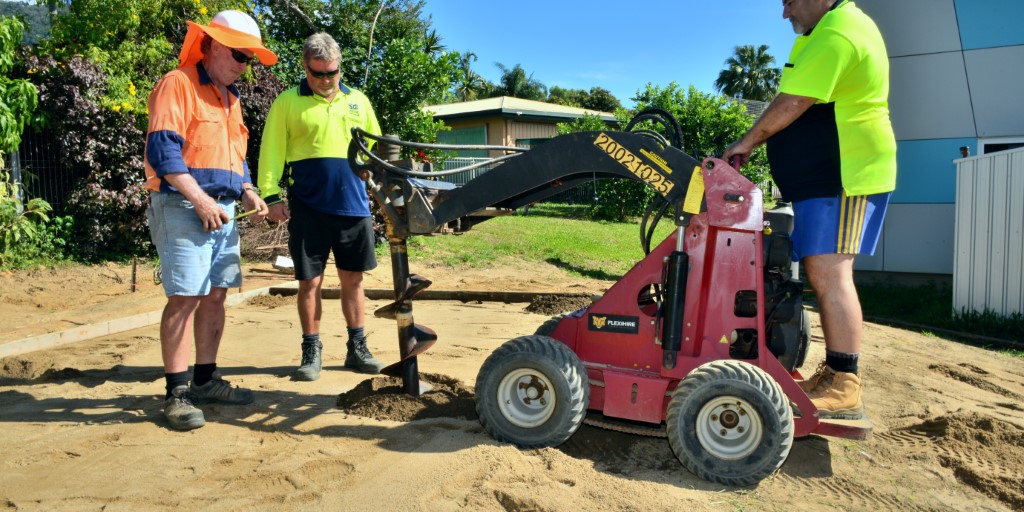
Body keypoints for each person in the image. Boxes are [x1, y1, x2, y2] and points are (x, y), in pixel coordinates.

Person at [723, 0, 896, 420]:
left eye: (790, 1)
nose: (785, 13)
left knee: (831, 272)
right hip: (826, 177)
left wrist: (747, 141)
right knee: (822, 271)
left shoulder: (838, 30)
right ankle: (836, 372)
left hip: (848, 174)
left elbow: (794, 100)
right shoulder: (825, 31)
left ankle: (845, 384)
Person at [143, 10, 276, 430]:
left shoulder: (230, 98)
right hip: (184, 206)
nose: (243, 64)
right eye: (239, 54)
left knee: (216, 295)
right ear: (214, 44)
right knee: (185, 297)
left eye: (249, 59)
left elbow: (236, 159)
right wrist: (200, 201)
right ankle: (176, 393)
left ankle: (205, 379)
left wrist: (250, 191)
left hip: (224, 209)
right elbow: (163, 154)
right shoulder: (177, 84)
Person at [258, 33, 385, 381]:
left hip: (354, 206)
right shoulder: (287, 102)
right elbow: (271, 151)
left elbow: (377, 150)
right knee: (309, 283)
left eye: (332, 72)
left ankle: (357, 348)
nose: (326, 80)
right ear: (304, 67)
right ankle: (311, 350)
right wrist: (270, 195)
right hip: (309, 209)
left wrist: (383, 189)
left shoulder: (358, 101)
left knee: (353, 281)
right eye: (318, 74)